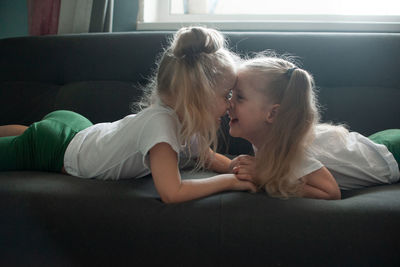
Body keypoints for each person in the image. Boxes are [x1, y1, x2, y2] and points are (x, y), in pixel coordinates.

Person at [0, 26, 256, 203]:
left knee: (30, 134)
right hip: (56, 150)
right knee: (30, 141)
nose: (230, 104)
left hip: (79, 129)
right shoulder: (162, 125)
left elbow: (207, 157)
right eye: (226, 96)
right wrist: (229, 182)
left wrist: (235, 167)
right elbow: (172, 192)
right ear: (196, 98)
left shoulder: (185, 121)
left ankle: (28, 134)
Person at [228, 54, 400, 200]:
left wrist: (265, 179)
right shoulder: (268, 138)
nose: (229, 103)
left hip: (393, 154)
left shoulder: (294, 151)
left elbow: (330, 192)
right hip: (375, 144)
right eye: (230, 94)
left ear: (272, 114)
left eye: (240, 97)